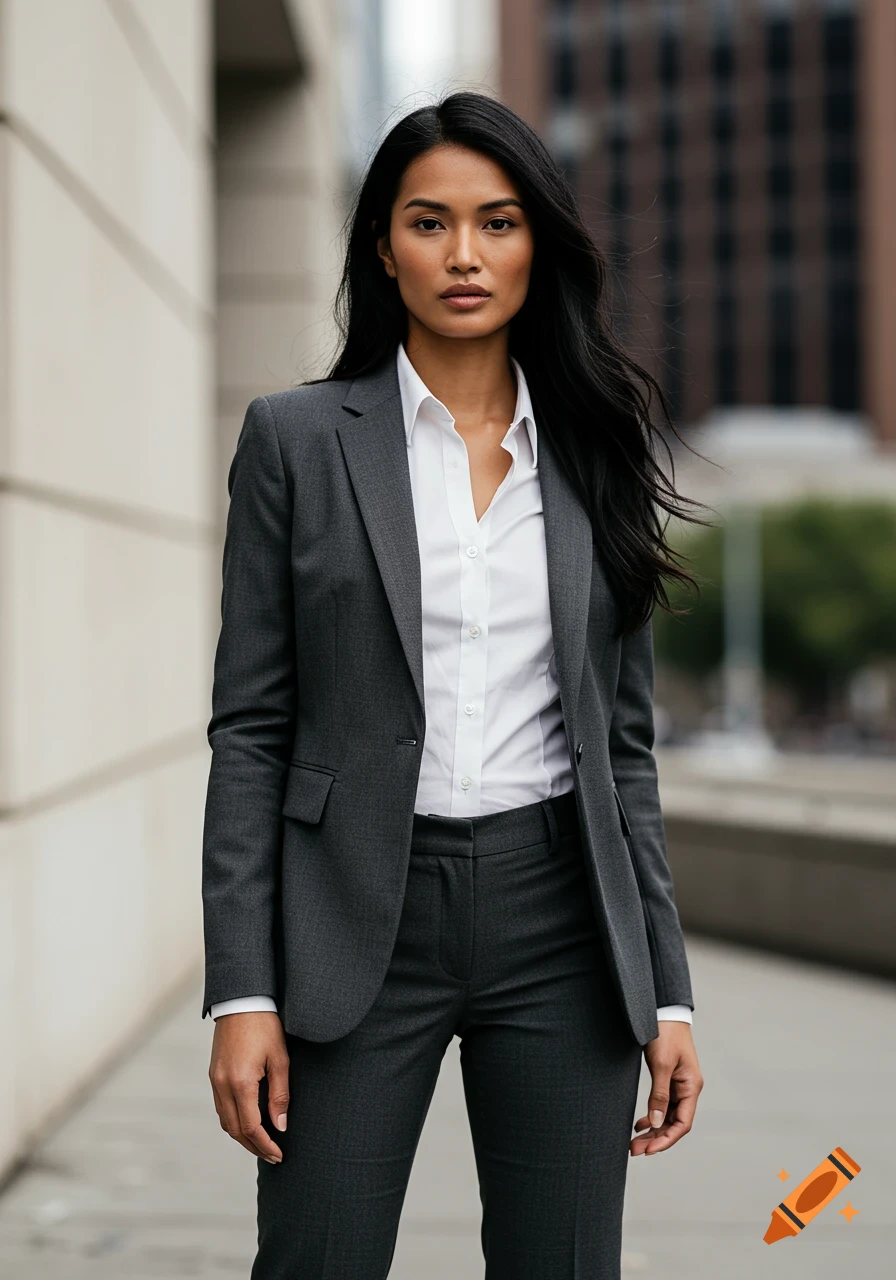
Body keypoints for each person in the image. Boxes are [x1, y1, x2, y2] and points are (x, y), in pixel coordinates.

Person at [202, 90, 707, 1279]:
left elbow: (621, 750)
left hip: (561, 921)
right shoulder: (296, 439)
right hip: (350, 917)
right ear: (382, 244)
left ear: (539, 242)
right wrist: (241, 989)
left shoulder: (597, 452)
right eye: (429, 222)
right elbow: (251, 729)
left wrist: (667, 993)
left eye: (498, 221)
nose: (465, 255)